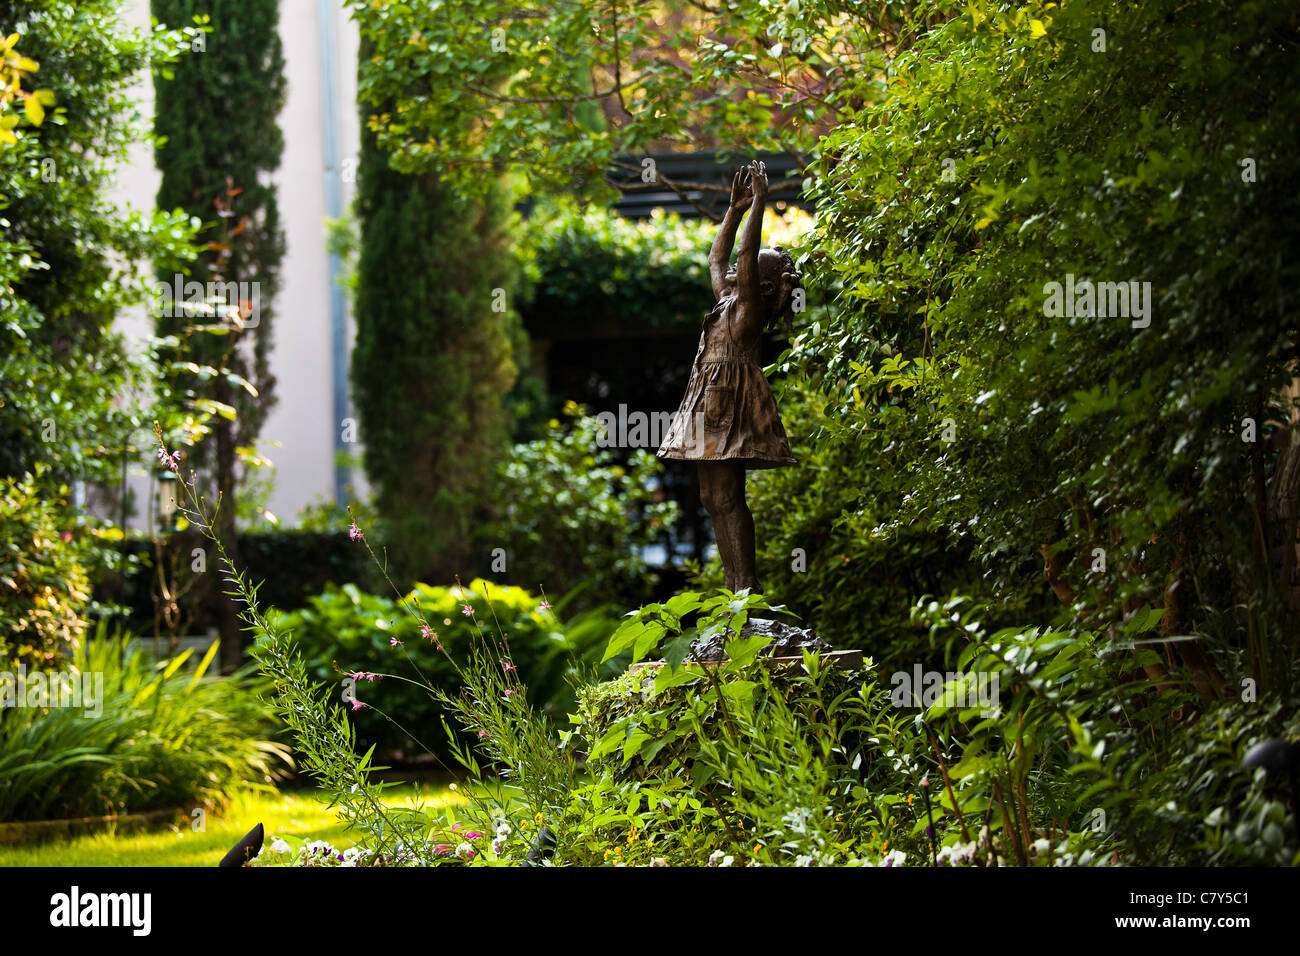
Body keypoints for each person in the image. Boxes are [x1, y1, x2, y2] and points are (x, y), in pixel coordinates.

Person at [657, 160, 800, 592]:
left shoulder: (748, 311)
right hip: (707, 403)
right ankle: (734, 582)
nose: (743, 267)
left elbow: (740, 254)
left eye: (755, 267)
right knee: (710, 498)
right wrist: (734, 210)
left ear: (765, 284)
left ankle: (747, 587)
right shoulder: (726, 302)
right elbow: (718, 258)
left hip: (729, 407)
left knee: (729, 498)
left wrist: (760, 204)